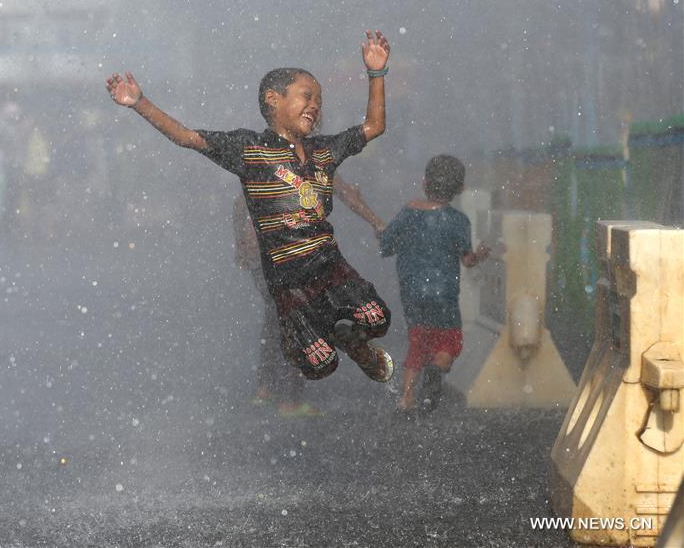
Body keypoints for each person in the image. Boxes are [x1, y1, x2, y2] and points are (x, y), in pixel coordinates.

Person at [107, 30, 395, 388]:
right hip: (287, 280)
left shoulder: (324, 150)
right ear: (273, 100)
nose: (316, 105)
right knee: (320, 365)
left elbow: (374, 126)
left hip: (330, 266)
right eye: (307, 96)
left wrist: (376, 74)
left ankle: (354, 343)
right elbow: (187, 137)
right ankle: (310, 339)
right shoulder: (250, 149)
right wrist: (140, 102)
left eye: (319, 100)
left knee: (377, 319)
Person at [234, 176, 387, 416]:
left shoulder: (269, 154)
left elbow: (242, 201)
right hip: (288, 254)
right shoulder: (308, 158)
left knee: (276, 316)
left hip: (261, 253)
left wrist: (240, 243)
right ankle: (290, 399)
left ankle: (266, 388)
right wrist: (377, 222)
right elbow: (347, 194)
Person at [378, 154, 490, 414]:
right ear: (460, 188)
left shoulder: (407, 213)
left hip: (413, 292)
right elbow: (467, 260)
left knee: (418, 342)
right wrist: (481, 255)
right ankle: (436, 370)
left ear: (425, 182)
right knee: (450, 341)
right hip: (444, 294)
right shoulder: (458, 221)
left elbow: (387, 246)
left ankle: (406, 397)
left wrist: (381, 231)